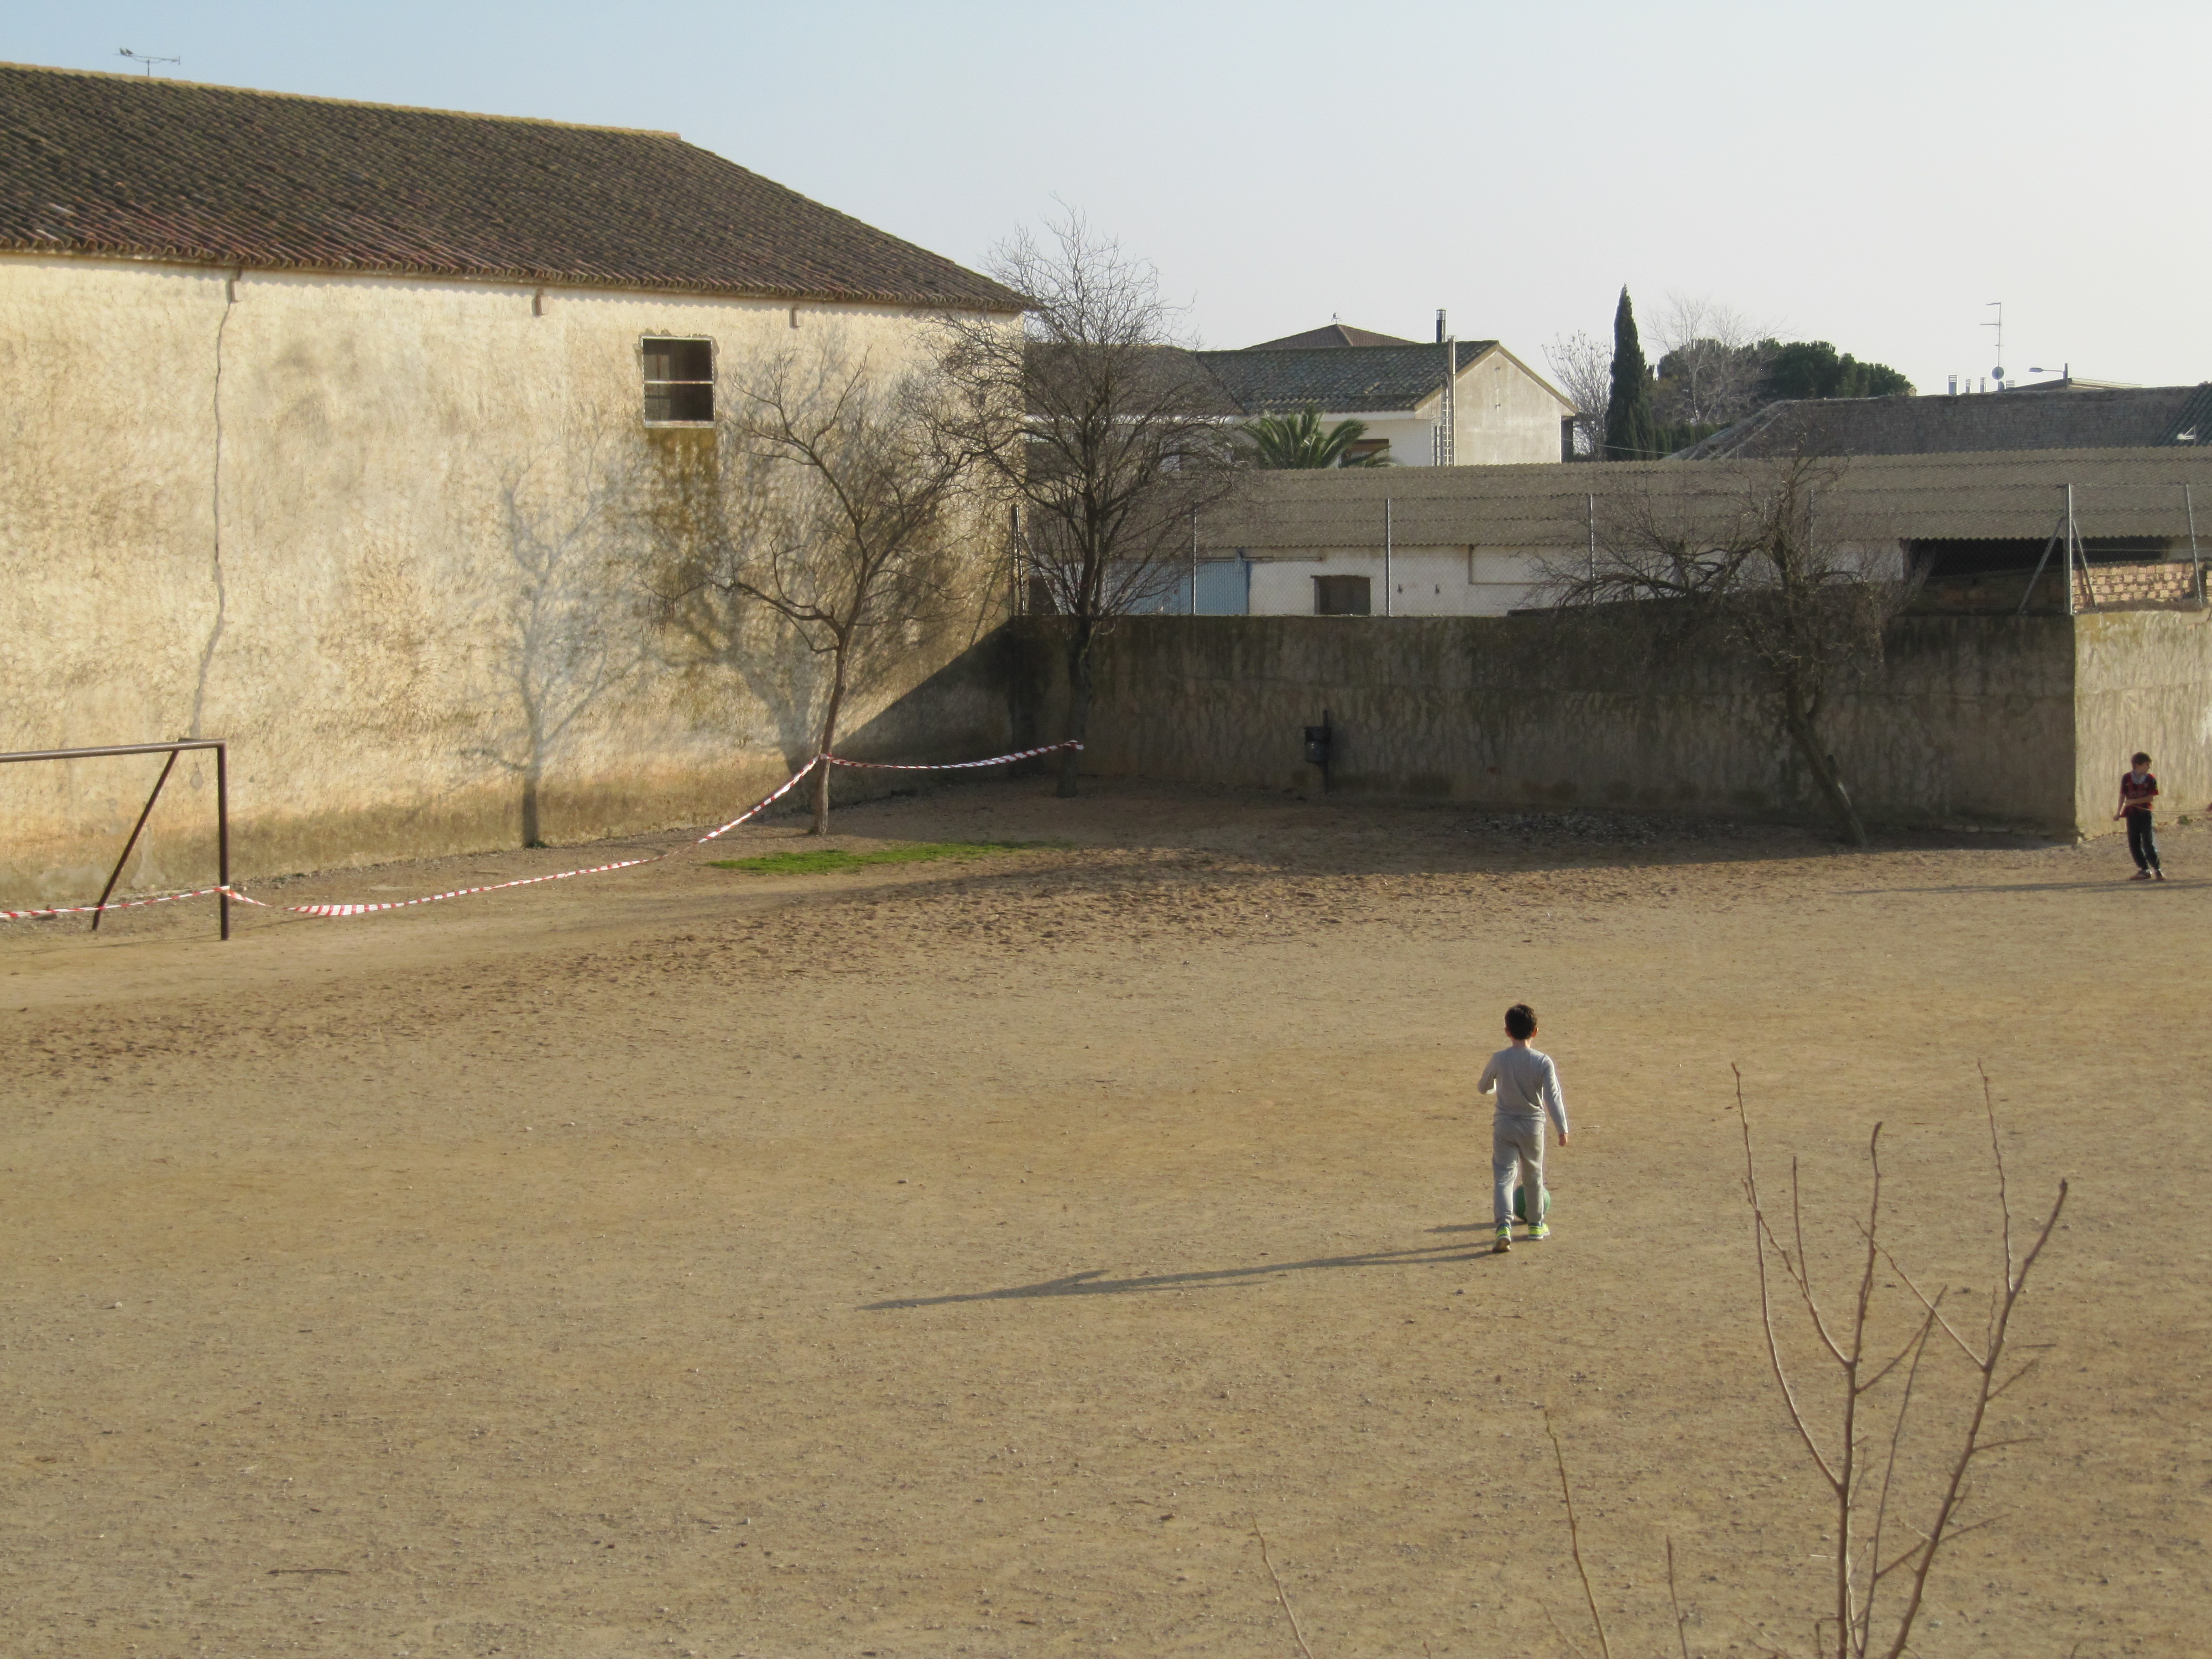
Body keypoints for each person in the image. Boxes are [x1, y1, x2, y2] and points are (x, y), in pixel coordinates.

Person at [1477, 1003, 1569, 1254]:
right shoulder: (1543, 1061)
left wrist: (1496, 1087)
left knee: (1504, 1177)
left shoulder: (1499, 1059)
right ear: (1535, 1031)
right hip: (1533, 1126)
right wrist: (1562, 1128)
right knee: (1533, 1174)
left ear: (1507, 1031)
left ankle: (1503, 1228)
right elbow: (1553, 1097)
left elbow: (1483, 1087)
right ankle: (1536, 1225)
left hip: (1504, 1125)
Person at [2114, 752, 2164, 881]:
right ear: (2138, 765)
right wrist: (2118, 812)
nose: (2149, 767)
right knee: (2134, 842)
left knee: (2148, 842)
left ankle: (2157, 869)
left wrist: (2133, 801)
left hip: (2145, 814)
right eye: (2147, 764)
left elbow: (2150, 798)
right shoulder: (2127, 778)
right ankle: (2144, 869)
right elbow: (2122, 795)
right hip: (2132, 814)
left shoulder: (2150, 779)